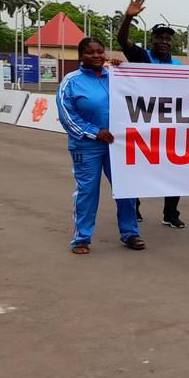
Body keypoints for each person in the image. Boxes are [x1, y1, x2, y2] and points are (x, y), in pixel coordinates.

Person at [56, 37, 144, 255]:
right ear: (81, 55)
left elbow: (142, 90)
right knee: (87, 191)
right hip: (87, 147)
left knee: (126, 189)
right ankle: (81, 239)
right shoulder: (71, 81)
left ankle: (130, 233)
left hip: (118, 145)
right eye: (90, 52)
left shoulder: (115, 75)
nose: (96, 56)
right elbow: (67, 116)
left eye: (99, 51)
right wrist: (94, 132)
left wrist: (122, 69)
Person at [117, 0, 187, 229]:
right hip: (142, 122)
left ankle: (170, 213)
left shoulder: (177, 65)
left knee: (175, 169)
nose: (164, 42)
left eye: (168, 39)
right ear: (152, 40)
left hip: (169, 124)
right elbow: (122, 40)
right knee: (137, 167)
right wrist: (128, 18)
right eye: (160, 38)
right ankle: (134, 206)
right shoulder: (141, 56)